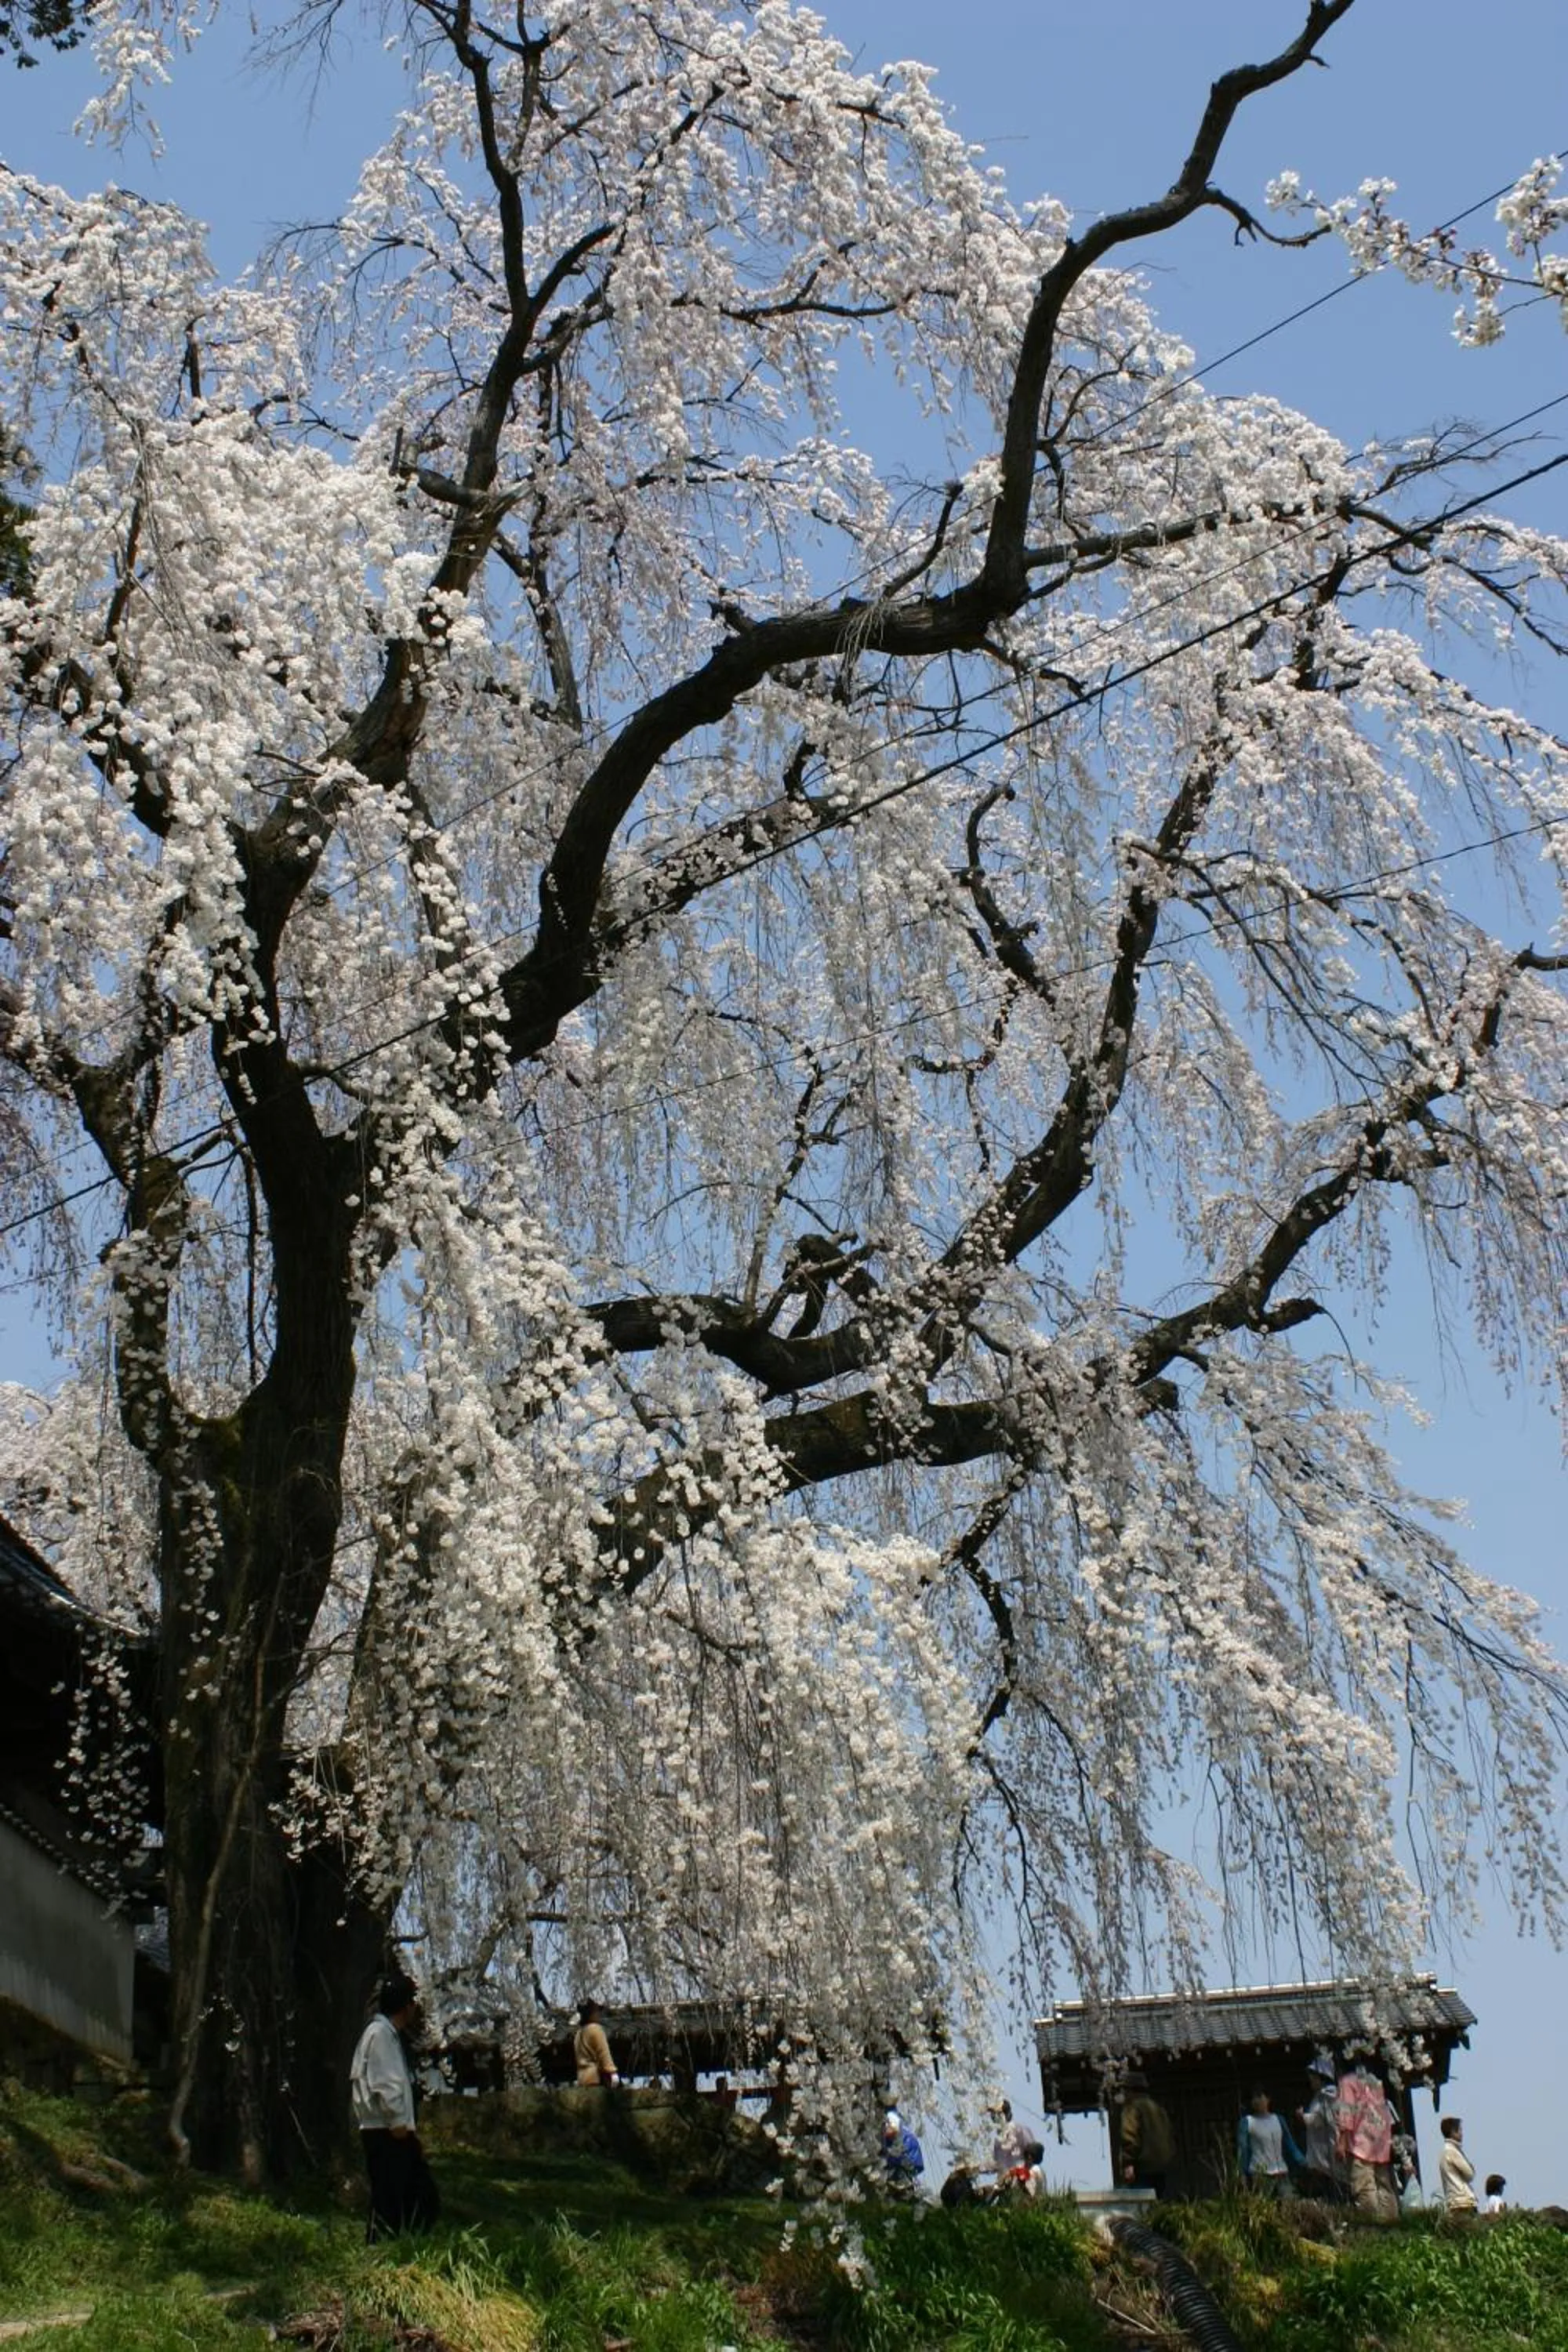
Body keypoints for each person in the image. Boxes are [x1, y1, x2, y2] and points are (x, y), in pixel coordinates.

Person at [350, 1969, 441, 2241]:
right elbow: (385, 2084)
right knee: (394, 2200)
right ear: (406, 2006)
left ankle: (399, 2249)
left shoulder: (386, 2034)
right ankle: (382, 2253)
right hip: (386, 2130)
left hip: (389, 2129)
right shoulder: (380, 2034)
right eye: (413, 2002)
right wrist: (398, 2123)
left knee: (411, 2198)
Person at [1335, 2064, 1398, 2223]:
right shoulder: (1375, 2082)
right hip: (1380, 2143)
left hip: (1360, 2143)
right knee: (1384, 2186)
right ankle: (1391, 2224)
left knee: (1364, 2187)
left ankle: (1371, 2226)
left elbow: (1346, 2113)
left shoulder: (1347, 2082)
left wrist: (1341, 2142)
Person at [1116, 2072, 1174, 2199]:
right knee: (1156, 2208)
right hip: (1161, 2166)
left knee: (1140, 2209)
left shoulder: (1133, 2107)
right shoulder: (1158, 2108)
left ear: (1129, 2090)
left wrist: (1128, 2163)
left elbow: (1129, 2136)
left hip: (1142, 2167)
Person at [1237, 2091, 1303, 2198]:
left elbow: (1290, 2144)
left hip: (1281, 2171)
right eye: (1253, 2098)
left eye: (1259, 2096)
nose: (1256, 2101)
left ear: (1268, 2099)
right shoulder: (1247, 2122)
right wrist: (1242, 2173)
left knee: (1290, 2203)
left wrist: (1303, 2161)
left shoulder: (1278, 2119)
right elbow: (1243, 2149)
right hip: (1260, 2173)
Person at [1296, 2056, 1345, 2201]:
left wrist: (1303, 2117)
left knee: (1334, 2183)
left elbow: (1319, 2119)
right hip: (1322, 2145)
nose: (1311, 2081)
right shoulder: (1320, 2097)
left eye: (1313, 2077)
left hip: (1328, 2145)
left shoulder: (1327, 2096)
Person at [988, 2096, 1044, 2177]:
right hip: (1006, 2181)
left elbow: (1035, 2151)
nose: (995, 2117)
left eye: (999, 2114)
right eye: (994, 2114)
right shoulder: (998, 2142)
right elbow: (996, 2166)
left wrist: (1026, 2169)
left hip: (1023, 2176)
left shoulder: (1018, 2129)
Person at [1439, 2115, 1477, 2221]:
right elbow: (1470, 2174)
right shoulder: (1453, 2151)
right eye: (1460, 2130)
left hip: (1453, 2201)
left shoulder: (1444, 2152)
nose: (1462, 2133)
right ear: (1453, 2132)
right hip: (1463, 2201)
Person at [573, 1999, 620, 2086]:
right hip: (595, 2078)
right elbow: (603, 2053)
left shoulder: (578, 2033)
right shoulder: (595, 2029)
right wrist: (613, 2072)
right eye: (597, 2012)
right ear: (591, 2013)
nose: (598, 2014)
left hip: (582, 2079)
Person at [881, 2107, 925, 2192]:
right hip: (905, 2153)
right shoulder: (892, 2114)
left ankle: (902, 2186)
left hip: (904, 2153)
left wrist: (879, 2134)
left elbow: (892, 2129)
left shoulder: (890, 2114)